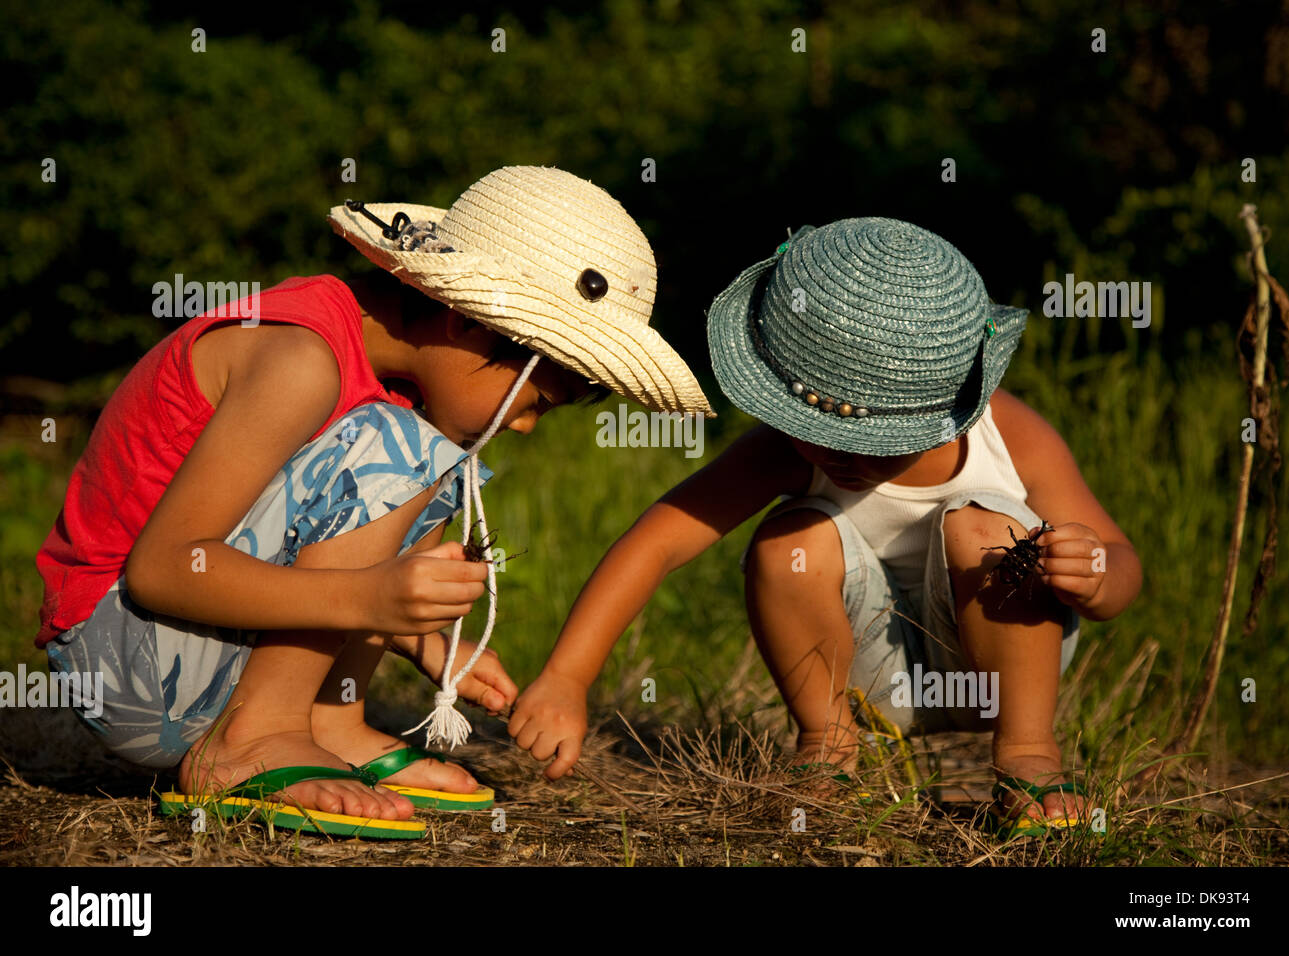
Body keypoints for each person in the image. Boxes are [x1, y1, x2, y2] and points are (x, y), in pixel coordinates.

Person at [35, 165, 713, 838]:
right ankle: (254, 736)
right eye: (535, 399)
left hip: (187, 660)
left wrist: (425, 639)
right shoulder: (300, 360)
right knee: (399, 446)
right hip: (126, 661)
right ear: (467, 322)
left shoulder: (384, 381)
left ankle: (329, 719)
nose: (527, 424)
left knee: (436, 458)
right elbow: (164, 570)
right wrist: (368, 599)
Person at [509, 217, 1142, 838]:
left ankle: (1029, 752)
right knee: (791, 539)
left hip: (997, 675)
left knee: (987, 532)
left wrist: (1093, 574)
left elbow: (1119, 561)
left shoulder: (1010, 437)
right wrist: (567, 676)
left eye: (870, 439)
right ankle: (828, 743)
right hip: (874, 683)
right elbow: (658, 541)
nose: (836, 454)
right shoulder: (784, 451)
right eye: (814, 428)